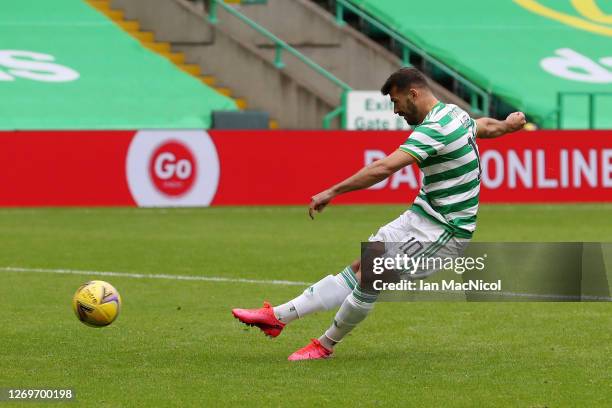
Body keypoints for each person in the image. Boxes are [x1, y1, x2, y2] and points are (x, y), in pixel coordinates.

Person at [232, 67, 526, 360]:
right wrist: (508, 125)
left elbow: (383, 168)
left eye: (397, 102)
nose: (396, 111)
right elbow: (483, 127)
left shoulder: (435, 128)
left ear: (414, 94)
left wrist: (332, 191)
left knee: (372, 276)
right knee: (361, 267)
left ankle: (324, 346)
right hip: (421, 216)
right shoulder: (453, 114)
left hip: (445, 230)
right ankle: (278, 318)